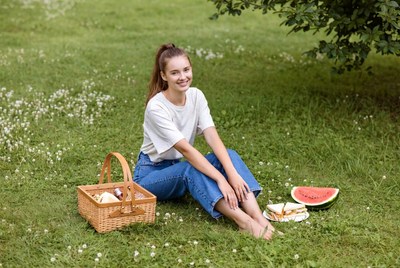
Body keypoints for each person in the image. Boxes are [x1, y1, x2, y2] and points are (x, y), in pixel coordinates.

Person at [133, 43, 275, 240]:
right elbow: (186, 151)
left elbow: (212, 135)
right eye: (175, 73)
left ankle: (259, 218)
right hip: (149, 177)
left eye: (186, 70)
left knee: (229, 156)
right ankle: (244, 222)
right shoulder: (156, 107)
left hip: (176, 166)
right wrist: (221, 179)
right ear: (164, 76)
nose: (183, 77)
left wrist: (231, 174)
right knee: (189, 168)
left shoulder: (196, 95)